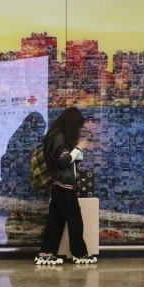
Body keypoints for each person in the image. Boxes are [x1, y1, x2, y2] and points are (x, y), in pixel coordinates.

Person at [35, 107, 97, 265]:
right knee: (75, 220)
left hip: (61, 185)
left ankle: (46, 253)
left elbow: (68, 160)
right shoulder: (57, 137)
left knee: (55, 221)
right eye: (77, 126)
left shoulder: (57, 136)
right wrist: (78, 148)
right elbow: (63, 160)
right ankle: (80, 254)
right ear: (71, 123)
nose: (78, 130)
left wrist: (76, 150)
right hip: (64, 186)